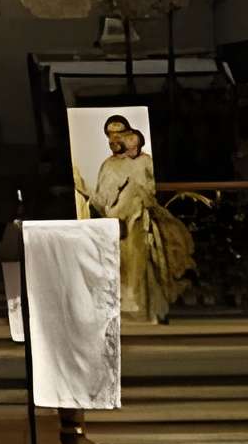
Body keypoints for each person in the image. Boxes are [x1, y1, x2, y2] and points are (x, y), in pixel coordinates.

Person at [77, 115, 193, 317]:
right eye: (111, 135)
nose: (116, 140)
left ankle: (147, 308)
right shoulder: (108, 165)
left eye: (120, 134)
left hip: (140, 220)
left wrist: (136, 195)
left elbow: (150, 190)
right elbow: (102, 201)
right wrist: (83, 188)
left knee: (142, 263)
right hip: (118, 224)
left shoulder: (144, 161)